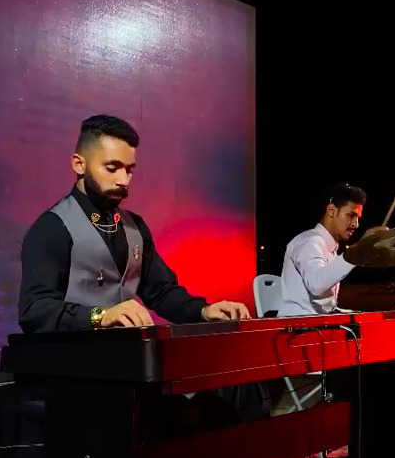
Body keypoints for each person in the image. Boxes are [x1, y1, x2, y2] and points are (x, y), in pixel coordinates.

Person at [18, 114, 250, 332]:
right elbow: (34, 311)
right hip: (70, 358)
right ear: (79, 164)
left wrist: (204, 311)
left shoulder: (134, 227)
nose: (123, 180)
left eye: (129, 170)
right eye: (112, 168)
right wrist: (101, 316)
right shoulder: (52, 227)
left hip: (128, 356)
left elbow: (161, 292)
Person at [278, 182, 385, 316]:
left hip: (316, 322)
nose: (356, 224)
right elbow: (317, 285)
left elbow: (323, 305)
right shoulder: (309, 242)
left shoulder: (328, 246)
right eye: (351, 215)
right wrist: (356, 251)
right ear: (331, 211)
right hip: (299, 324)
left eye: (358, 218)